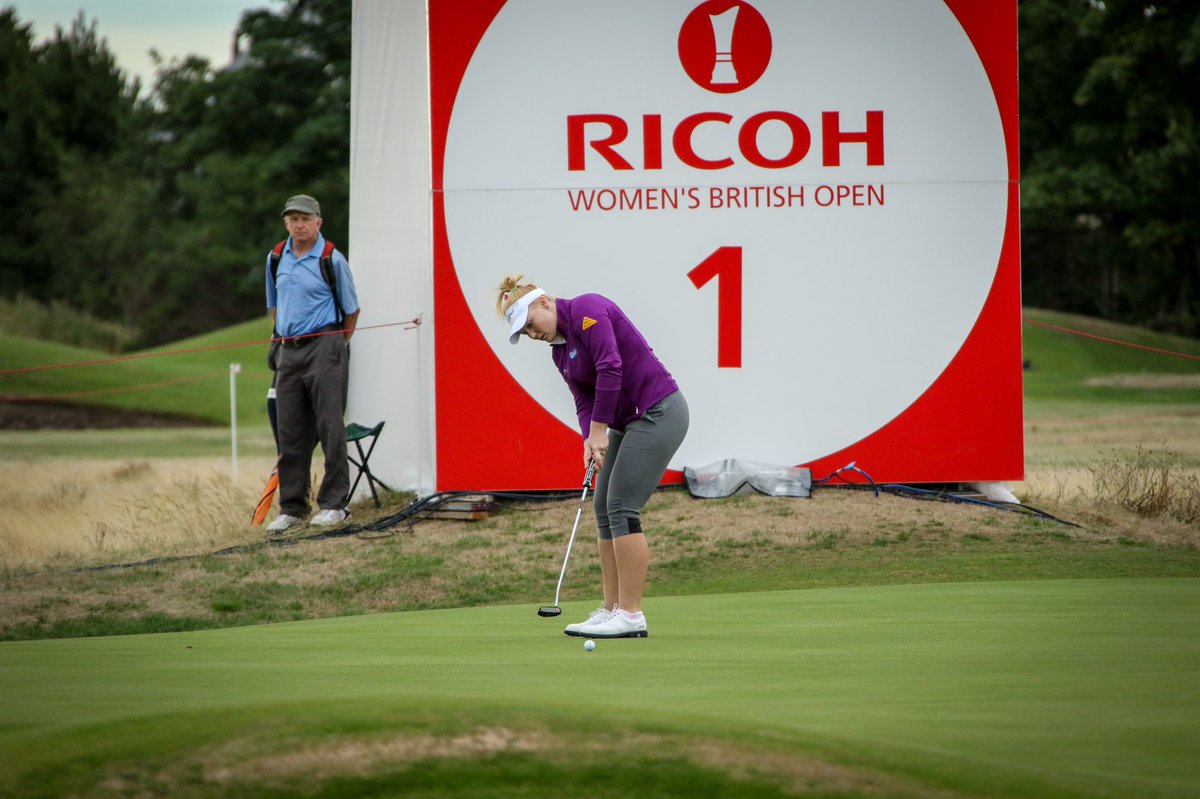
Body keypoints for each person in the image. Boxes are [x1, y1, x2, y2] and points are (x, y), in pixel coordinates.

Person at [497, 276, 688, 638]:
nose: (530, 334)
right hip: (627, 423)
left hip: (658, 412)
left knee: (622, 506)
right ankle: (611, 609)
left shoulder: (587, 308)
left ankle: (631, 615)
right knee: (603, 505)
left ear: (544, 303)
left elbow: (610, 367)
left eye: (529, 324)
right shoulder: (559, 352)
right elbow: (583, 398)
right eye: (522, 332)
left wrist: (600, 430)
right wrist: (589, 438)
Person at [265, 195, 361, 533]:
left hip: (325, 345)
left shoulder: (331, 259)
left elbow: (352, 310)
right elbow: (274, 305)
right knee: (289, 429)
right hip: (288, 351)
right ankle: (292, 507)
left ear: (318, 222)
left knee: (329, 425)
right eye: (292, 219)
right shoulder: (276, 258)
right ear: (286, 223)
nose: (298, 224)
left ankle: (335, 504)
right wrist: (279, 342)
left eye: (305, 218)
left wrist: (335, 345)